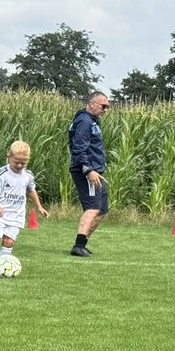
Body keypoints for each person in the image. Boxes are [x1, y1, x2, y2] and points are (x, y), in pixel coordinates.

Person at [0, 140, 49, 270]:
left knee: (8, 242)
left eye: (23, 163)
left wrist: (39, 206)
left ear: (28, 160)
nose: (19, 165)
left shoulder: (28, 175)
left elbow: (31, 190)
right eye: (16, 161)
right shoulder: (1, 174)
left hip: (17, 215)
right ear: (9, 158)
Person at [68, 91, 110, 257]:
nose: (105, 110)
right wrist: (88, 170)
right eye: (103, 106)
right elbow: (79, 148)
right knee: (93, 207)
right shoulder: (84, 121)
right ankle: (78, 246)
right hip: (86, 170)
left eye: (107, 107)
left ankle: (82, 243)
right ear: (92, 103)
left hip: (95, 170)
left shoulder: (92, 120)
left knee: (102, 210)